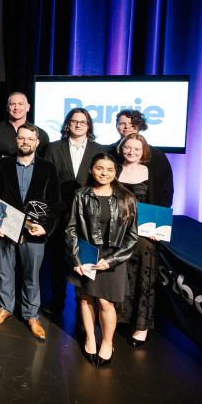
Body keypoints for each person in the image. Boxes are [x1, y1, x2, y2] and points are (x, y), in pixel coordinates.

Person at [0, 123, 61, 341]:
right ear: (16, 140)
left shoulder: (48, 168)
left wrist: (46, 226)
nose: (25, 142)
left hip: (35, 232)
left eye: (30, 139)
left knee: (32, 276)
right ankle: (5, 308)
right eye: (21, 138)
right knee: (5, 271)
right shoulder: (3, 165)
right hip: (6, 227)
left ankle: (31, 314)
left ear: (37, 142)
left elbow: (55, 203)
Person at [66, 153, 138, 366]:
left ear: (115, 172)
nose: (104, 173)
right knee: (86, 298)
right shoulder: (81, 195)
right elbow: (71, 228)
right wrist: (76, 258)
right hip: (87, 254)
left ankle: (107, 342)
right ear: (91, 170)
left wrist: (113, 260)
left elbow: (132, 236)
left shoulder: (127, 198)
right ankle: (90, 337)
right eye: (99, 168)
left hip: (112, 258)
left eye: (109, 169)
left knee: (106, 303)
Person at [42, 107, 106, 315]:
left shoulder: (99, 150)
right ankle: (57, 301)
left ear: (89, 126)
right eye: (74, 121)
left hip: (88, 217)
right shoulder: (53, 148)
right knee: (57, 262)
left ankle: (83, 311)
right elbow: (47, 182)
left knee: (85, 262)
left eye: (83, 121)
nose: (78, 124)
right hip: (59, 215)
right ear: (67, 124)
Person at [117, 132, 172, 347]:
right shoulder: (113, 170)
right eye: (128, 148)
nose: (131, 152)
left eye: (136, 149)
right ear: (122, 149)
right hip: (117, 233)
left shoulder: (152, 173)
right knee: (121, 276)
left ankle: (140, 327)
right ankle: (121, 317)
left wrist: (156, 230)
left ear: (144, 152)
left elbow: (161, 204)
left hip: (143, 234)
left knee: (143, 278)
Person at [108, 109, 174, 207]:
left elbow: (165, 191)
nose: (127, 127)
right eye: (122, 123)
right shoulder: (108, 152)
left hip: (147, 216)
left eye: (131, 123)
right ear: (117, 125)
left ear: (139, 126)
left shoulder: (157, 155)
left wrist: (159, 218)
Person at [0, 92, 51, 160]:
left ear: (28, 107)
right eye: (12, 104)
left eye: (20, 104)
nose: (16, 107)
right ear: (7, 108)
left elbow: (44, 164)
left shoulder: (41, 134)